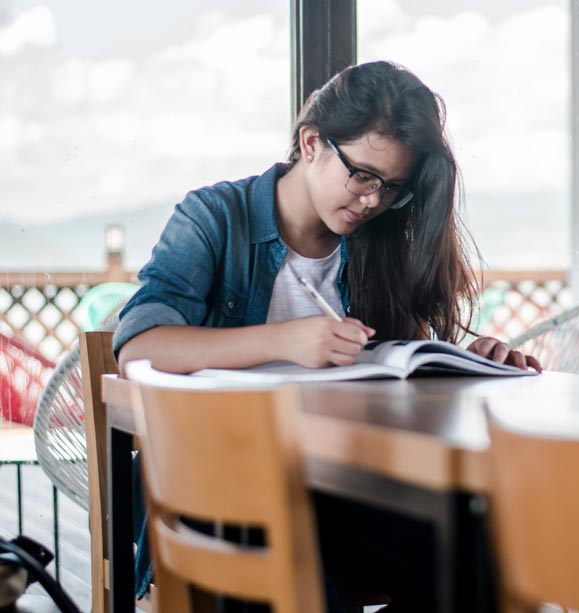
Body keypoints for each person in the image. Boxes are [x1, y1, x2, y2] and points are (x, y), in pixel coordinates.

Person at [114, 60, 540, 611]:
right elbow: (139, 347)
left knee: (481, 553)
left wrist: (463, 362)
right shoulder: (215, 217)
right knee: (285, 556)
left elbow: (392, 370)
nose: (372, 201)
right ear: (311, 142)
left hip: (343, 487)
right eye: (362, 175)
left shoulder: (378, 243)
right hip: (221, 485)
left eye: (392, 188)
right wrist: (285, 341)